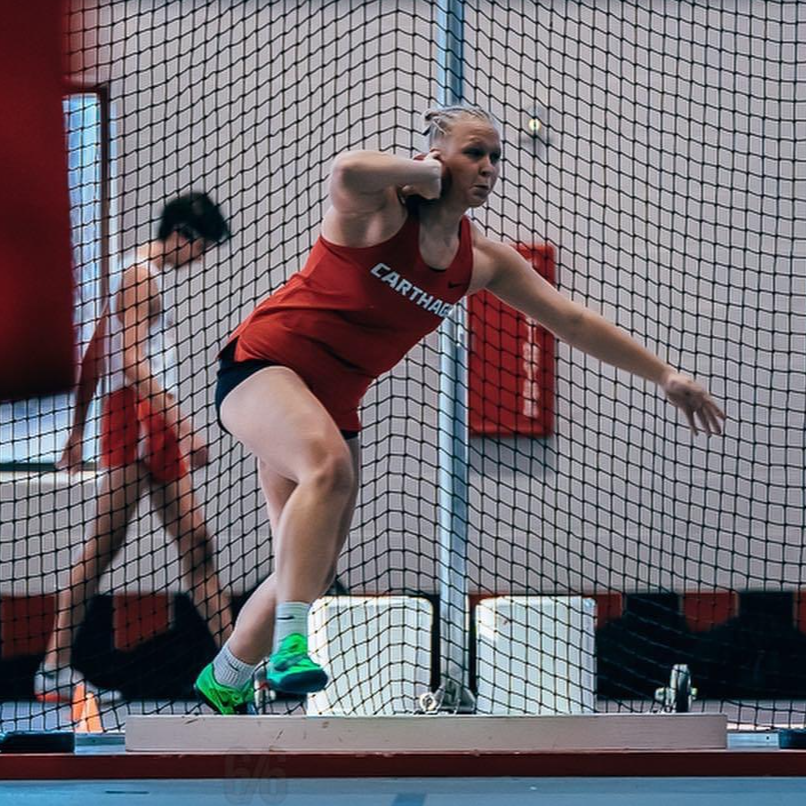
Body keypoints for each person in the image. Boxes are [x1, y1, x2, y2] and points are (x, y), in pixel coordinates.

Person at [193, 106, 726, 715]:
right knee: (330, 469)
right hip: (264, 367)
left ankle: (226, 676)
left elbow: (571, 320)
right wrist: (414, 172)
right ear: (436, 155)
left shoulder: (483, 262)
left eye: (495, 157)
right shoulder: (378, 212)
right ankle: (291, 646)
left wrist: (665, 374)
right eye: (474, 152)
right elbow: (346, 169)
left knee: (307, 563)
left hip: (332, 403)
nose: (489, 168)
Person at [35, 192, 235, 703]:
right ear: (184, 237)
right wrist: (183, 426)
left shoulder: (132, 272)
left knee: (195, 546)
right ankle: (54, 668)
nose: (201, 260)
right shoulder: (142, 276)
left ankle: (235, 669)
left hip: (139, 417)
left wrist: (77, 431)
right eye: (203, 249)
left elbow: (92, 358)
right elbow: (130, 363)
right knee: (109, 547)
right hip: (138, 417)